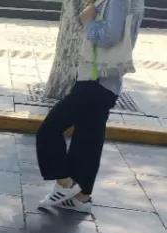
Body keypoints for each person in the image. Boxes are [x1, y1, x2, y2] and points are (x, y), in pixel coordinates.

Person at [37, 0, 145, 213]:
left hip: (95, 81)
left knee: (49, 130)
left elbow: (110, 35)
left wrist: (88, 21)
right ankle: (81, 197)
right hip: (107, 83)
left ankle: (65, 184)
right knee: (88, 139)